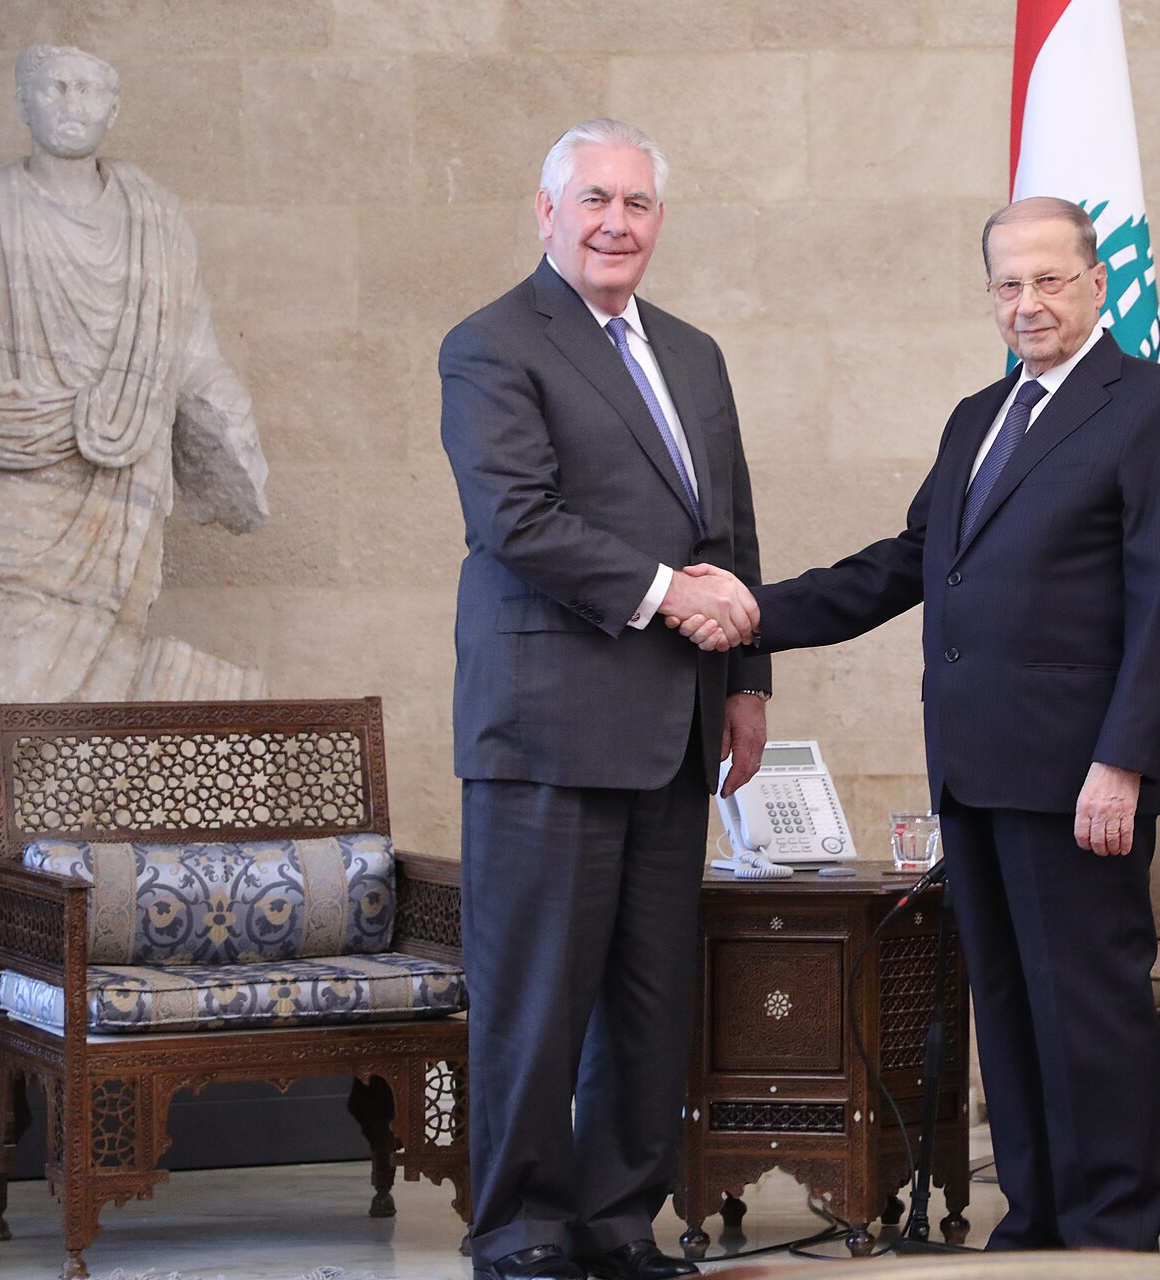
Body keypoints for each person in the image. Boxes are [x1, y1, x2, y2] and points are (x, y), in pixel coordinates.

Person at [687, 196, 1160, 1251]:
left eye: (1051, 280)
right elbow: (905, 565)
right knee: (1011, 1013)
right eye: (1008, 284)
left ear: (1098, 283)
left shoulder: (1155, 406)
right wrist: (754, 608)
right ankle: (1036, 1221)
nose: (1030, 303)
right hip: (973, 769)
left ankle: (1111, 1234)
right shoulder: (978, 416)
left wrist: (1123, 759)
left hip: (1079, 777)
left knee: (1091, 1014)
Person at [438, 117, 767, 1280]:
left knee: (648, 995)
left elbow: (729, 526)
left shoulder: (693, 351)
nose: (616, 222)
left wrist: (746, 685)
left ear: (659, 221)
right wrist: (673, 596)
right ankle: (521, 1225)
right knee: (536, 998)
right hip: (546, 729)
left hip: (676, 726)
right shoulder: (490, 344)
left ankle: (619, 1218)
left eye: (636, 203)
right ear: (546, 211)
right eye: (593, 200)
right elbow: (514, 520)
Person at [0, 43, 270, 744]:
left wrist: (229, 415)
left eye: (87, 91)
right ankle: (2, 826)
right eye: (54, 88)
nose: (71, 104)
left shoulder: (155, 218)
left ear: (113, 108)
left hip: (116, 479)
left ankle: (69, 811)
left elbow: (191, 349)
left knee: (91, 696)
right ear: (22, 102)